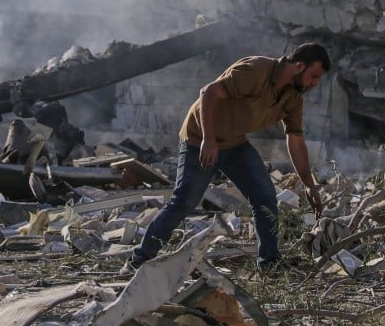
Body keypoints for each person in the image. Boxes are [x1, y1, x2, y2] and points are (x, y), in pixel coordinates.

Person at [126, 42, 331, 271]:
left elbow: (295, 140)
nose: (314, 84)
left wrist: (309, 185)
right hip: (200, 140)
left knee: (265, 197)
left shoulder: (293, 98)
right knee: (184, 202)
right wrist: (209, 140)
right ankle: (139, 261)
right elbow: (209, 93)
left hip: (235, 143)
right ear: (299, 66)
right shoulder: (255, 70)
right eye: (313, 76)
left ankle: (270, 264)